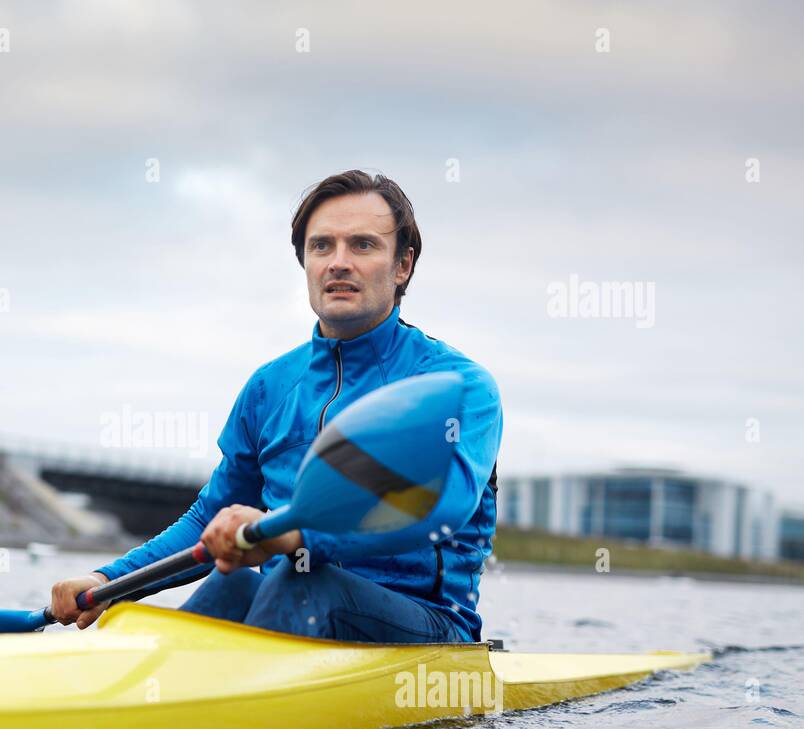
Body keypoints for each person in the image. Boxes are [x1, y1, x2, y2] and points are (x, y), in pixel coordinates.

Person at [50, 171, 502, 645]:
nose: (338, 263)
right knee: (236, 579)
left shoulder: (459, 387)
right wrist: (109, 582)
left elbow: (441, 510)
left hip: (427, 628)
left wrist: (299, 539)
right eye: (322, 246)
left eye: (363, 246)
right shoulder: (270, 388)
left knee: (299, 577)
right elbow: (210, 520)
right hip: (287, 605)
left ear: (403, 265)